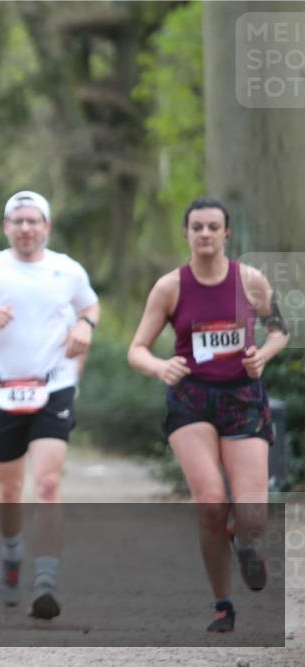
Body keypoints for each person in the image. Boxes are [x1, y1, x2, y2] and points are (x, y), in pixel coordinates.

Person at [127, 197, 288, 633]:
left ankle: (243, 539)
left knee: (253, 511)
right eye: (196, 227)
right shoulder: (170, 287)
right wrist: (161, 366)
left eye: (212, 227)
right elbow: (136, 349)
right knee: (212, 501)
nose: (204, 234)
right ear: (186, 234)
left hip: (242, 399)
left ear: (226, 234)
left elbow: (279, 331)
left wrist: (263, 356)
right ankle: (222, 603)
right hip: (191, 400)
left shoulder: (249, 280)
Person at [0, 191, 99, 620]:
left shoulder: (67, 270)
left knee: (48, 484)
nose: (26, 228)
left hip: (54, 388)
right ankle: (12, 552)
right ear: (6, 227)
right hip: (2, 391)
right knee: (10, 489)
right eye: (18, 221)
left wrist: (84, 325)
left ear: (46, 226)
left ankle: (45, 582)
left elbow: (90, 306)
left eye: (34, 221)